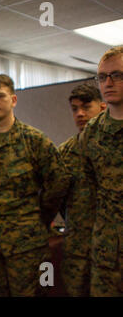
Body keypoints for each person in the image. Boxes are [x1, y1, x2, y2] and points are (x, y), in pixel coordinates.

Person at [0, 74, 70, 297]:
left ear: (13, 100)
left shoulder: (35, 141)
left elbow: (58, 182)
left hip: (27, 243)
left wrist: (40, 216)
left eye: (0, 96)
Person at [78, 46, 123, 297]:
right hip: (107, 255)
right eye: (102, 77)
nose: (108, 82)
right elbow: (86, 196)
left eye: (117, 75)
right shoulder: (92, 133)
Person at [58, 84, 106, 296]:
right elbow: (55, 197)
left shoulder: (114, 147)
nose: (80, 114)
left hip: (111, 249)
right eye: (75, 109)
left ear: (102, 107)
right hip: (76, 247)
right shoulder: (65, 152)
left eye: (86, 107)